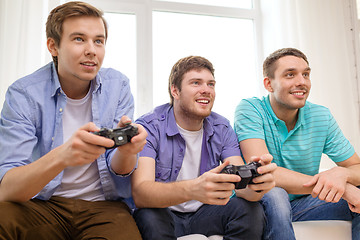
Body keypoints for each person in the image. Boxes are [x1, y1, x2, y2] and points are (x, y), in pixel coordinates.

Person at [0, 2, 147, 239]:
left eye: (98, 41)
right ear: (53, 46)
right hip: (42, 205)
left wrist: (128, 151)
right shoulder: (24, 94)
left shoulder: (118, 86)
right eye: (79, 39)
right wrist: (62, 156)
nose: (92, 50)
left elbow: (120, 168)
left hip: (104, 207)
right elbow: (7, 190)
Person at [131, 55, 277, 240]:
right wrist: (193, 188)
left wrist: (257, 185)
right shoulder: (149, 126)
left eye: (211, 84)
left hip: (205, 213)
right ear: (175, 91)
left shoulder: (222, 127)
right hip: (163, 213)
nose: (206, 90)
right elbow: (141, 193)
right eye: (196, 83)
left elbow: (241, 187)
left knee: (250, 210)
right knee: (148, 215)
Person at [234, 47, 360, 240]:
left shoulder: (321, 115)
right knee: (275, 194)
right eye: (290, 75)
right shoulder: (250, 109)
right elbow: (262, 171)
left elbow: (356, 168)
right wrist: (342, 189)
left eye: (306, 74)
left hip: (303, 204)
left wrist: (341, 174)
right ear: (269, 84)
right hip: (259, 203)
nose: (301, 82)